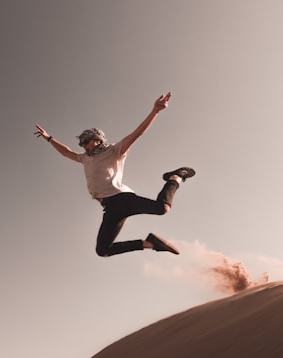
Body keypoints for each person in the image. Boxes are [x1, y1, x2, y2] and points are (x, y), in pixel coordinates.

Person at [33, 92, 195, 257]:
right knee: (102, 250)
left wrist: (155, 111)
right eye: (81, 143)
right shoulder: (84, 159)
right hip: (110, 208)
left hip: (121, 199)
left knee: (162, 208)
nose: (83, 146)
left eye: (86, 142)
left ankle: (176, 177)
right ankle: (150, 243)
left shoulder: (114, 151)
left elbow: (137, 134)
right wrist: (49, 138)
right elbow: (66, 152)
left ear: (97, 140)